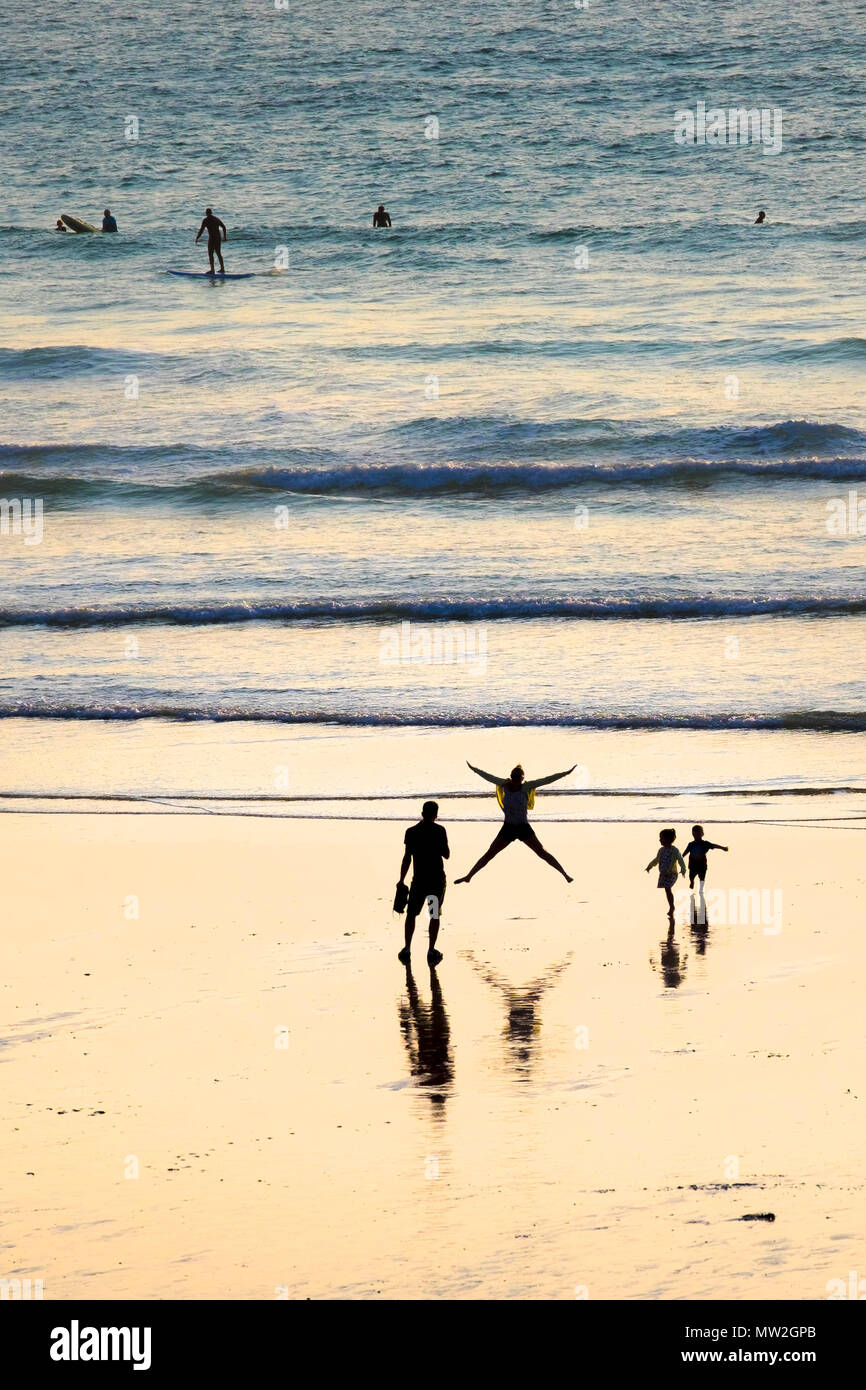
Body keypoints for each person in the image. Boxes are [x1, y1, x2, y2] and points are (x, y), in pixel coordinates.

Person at [455, 761, 575, 884]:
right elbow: (488, 777)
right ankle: (469, 876)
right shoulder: (504, 785)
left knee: (542, 852)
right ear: (511, 777)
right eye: (514, 776)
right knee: (490, 853)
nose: (516, 779)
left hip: (523, 827)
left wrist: (566, 773)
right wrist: (474, 769)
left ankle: (565, 874)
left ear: (522, 778)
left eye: (518, 777)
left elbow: (547, 780)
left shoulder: (527, 787)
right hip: (508, 827)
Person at [397, 800, 449, 965]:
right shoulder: (440, 831)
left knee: (411, 913)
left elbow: (407, 858)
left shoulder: (411, 832)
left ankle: (407, 948)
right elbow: (446, 854)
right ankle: (431, 949)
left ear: (422, 813)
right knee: (433, 914)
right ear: (436, 815)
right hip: (435, 880)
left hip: (418, 880)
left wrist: (401, 879)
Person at [646, 828, 686, 919]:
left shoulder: (675, 850)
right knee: (667, 890)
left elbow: (680, 860)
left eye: (661, 838)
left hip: (672, 873)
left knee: (668, 888)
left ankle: (672, 907)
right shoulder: (661, 850)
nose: (660, 840)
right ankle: (671, 905)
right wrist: (650, 866)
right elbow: (657, 860)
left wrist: (683, 870)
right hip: (663, 873)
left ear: (668, 839)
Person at [683, 825, 728, 889]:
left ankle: (701, 887)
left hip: (702, 864)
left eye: (698, 834)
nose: (697, 836)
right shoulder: (691, 844)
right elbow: (686, 851)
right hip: (692, 864)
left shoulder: (705, 843)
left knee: (702, 877)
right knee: (691, 876)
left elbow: (714, 845)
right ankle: (692, 882)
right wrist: (681, 858)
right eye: (695, 834)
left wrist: (722, 848)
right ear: (692, 834)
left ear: (702, 834)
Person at [195, 207, 227, 273]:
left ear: (206, 213)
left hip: (212, 238)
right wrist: (224, 237)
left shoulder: (205, 220)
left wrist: (197, 238)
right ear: (211, 213)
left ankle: (212, 270)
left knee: (211, 254)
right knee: (218, 253)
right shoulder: (216, 219)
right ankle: (222, 269)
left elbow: (201, 230)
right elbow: (224, 227)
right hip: (218, 238)